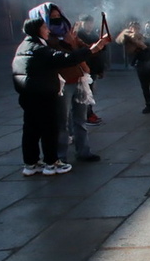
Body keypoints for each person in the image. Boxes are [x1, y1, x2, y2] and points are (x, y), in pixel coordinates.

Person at [12, 17, 109, 176]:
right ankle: (52, 163)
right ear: (38, 30)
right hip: (43, 93)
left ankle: (31, 164)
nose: (48, 30)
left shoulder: (23, 46)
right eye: (45, 27)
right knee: (50, 128)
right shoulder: (40, 48)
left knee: (31, 130)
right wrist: (92, 49)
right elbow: (64, 58)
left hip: (27, 93)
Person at [30, 2, 102, 163]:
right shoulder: (44, 39)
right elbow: (59, 58)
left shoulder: (70, 33)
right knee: (61, 122)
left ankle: (84, 151)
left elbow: (85, 50)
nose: (56, 20)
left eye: (58, 16)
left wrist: (96, 45)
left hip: (78, 79)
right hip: (60, 83)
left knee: (80, 119)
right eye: (52, 18)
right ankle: (60, 156)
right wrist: (69, 44)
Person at [117, 19, 150, 113]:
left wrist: (144, 47)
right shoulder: (142, 36)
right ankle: (148, 105)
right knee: (144, 86)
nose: (148, 28)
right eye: (147, 26)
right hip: (141, 65)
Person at [75, 14, 107, 125]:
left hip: (93, 69)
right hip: (84, 69)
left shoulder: (95, 36)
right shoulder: (78, 36)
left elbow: (100, 54)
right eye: (87, 22)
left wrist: (101, 69)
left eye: (91, 22)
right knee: (85, 94)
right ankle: (86, 115)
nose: (89, 25)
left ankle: (90, 112)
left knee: (91, 93)